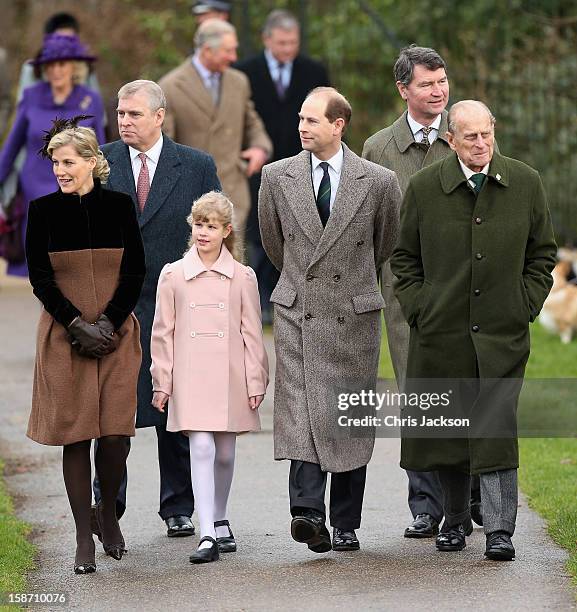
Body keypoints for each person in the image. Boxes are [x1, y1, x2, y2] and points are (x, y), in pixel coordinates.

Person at [390, 100, 556, 560]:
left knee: (494, 424)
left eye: (487, 134)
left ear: (494, 131)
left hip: (502, 334)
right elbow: (404, 259)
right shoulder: (426, 188)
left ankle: (500, 530)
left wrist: (524, 303)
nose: (481, 144)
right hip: (441, 334)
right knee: (449, 427)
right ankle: (455, 519)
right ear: (451, 140)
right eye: (470, 137)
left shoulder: (524, 182)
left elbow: (542, 254)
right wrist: (421, 308)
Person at [258, 87, 401, 553]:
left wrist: (352, 285)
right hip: (300, 309)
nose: (302, 127)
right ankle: (307, 513)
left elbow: (385, 244)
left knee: (350, 415)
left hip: (353, 314)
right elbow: (274, 244)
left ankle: (344, 522)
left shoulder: (378, 182)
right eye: (301, 118)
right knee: (300, 411)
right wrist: (305, 282)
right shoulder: (276, 177)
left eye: (313, 120)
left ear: (339, 125)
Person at [92, 80, 221, 539]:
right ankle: (108, 502)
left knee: (176, 409)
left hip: (177, 304)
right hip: (114, 306)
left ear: (159, 116)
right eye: (120, 113)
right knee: (114, 410)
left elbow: (214, 230)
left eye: (133, 114)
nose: (124, 121)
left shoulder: (196, 165)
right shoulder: (99, 162)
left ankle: (178, 507)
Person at [25, 119, 145, 574]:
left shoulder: (119, 206)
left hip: (115, 334)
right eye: (55, 162)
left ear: (93, 162)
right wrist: (77, 325)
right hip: (64, 335)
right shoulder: (43, 211)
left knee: (115, 435)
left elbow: (135, 270)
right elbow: (40, 278)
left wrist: (109, 323)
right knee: (75, 437)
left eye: (68, 162)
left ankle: (106, 515)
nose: (60, 169)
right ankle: (83, 538)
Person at [150, 191, 269, 564]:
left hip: (230, 374)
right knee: (200, 447)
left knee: (226, 452)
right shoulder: (173, 275)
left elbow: (252, 333)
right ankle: (206, 534)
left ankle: (219, 517)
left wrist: (255, 380)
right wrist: (162, 381)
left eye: (211, 226)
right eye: (199, 225)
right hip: (190, 374)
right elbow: (162, 332)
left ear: (226, 231)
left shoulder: (242, 277)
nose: (203, 232)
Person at [362, 45, 450, 539]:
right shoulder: (378, 149)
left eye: (442, 82)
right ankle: (425, 503)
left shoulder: (467, 136)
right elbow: (370, 230)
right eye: (426, 84)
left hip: (465, 291)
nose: (438, 92)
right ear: (403, 90)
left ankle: (471, 495)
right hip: (403, 296)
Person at [236, 9, 330, 324]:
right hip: (258, 166)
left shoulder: (313, 71)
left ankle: (292, 300)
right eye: (282, 43)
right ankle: (262, 300)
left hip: (302, 164)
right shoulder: (244, 72)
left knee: (299, 232)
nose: (288, 49)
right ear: (267, 39)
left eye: (293, 43)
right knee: (261, 234)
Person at [0, 33, 105, 277]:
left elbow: (100, 151)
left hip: (76, 195)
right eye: (50, 65)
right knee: (44, 273)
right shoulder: (31, 97)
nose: (56, 70)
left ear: (74, 67)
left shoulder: (90, 100)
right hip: (35, 195)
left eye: (62, 64)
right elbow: (12, 147)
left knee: (73, 270)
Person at [159, 19, 272, 237]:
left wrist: (260, 147)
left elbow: (251, 121)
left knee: (232, 265)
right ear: (208, 50)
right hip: (192, 197)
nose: (234, 57)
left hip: (234, 193)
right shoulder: (171, 86)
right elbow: (165, 145)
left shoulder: (239, 81)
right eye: (228, 51)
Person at [16, 12, 102, 106]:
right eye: (60, 39)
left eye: (70, 40)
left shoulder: (86, 67)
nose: (65, 45)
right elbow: (23, 105)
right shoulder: (31, 68)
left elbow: (97, 107)